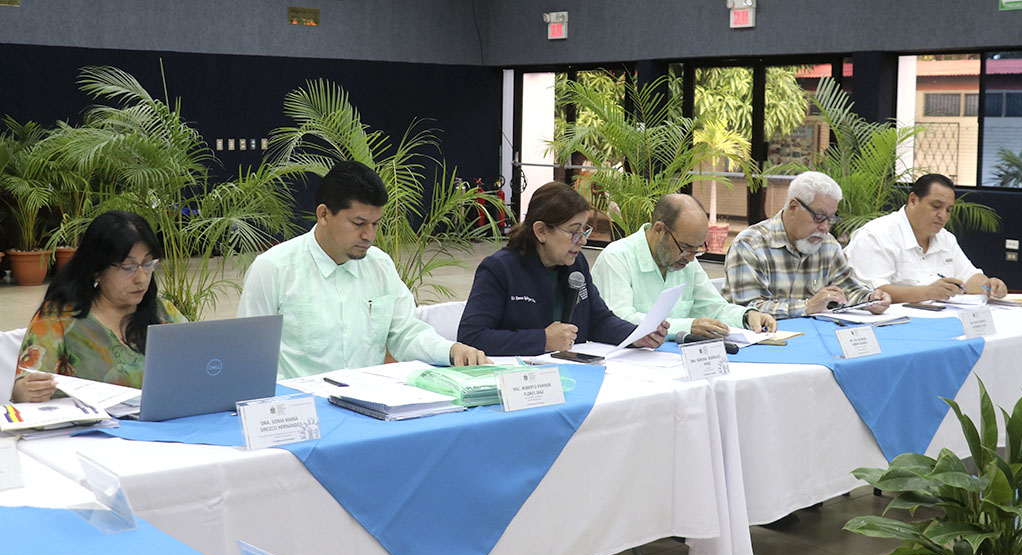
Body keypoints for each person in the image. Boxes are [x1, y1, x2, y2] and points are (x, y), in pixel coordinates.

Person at [237, 161, 487, 379]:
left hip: (368, 408)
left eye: (375, 224)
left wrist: (452, 351)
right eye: (358, 223)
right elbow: (250, 356)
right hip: (299, 412)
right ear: (324, 214)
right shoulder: (273, 269)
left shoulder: (380, 265)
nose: (369, 235)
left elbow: (406, 333)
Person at [457, 181, 668, 356]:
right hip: (520, 382)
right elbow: (471, 337)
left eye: (585, 230)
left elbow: (599, 320)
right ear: (541, 231)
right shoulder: (500, 269)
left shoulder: (576, 265)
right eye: (574, 232)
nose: (582, 241)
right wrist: (543, 340)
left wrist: (637, 335)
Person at [11, 211, 187, 402]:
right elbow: (26, 386)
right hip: (88, 429)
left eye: (147, 264)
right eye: (128, 267)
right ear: (96, 270)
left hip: (161, 426)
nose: (141, 278)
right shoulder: (59, 318)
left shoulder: (163, 313)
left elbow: (200, 361)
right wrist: (24, 391)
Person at [593, 193, 777, 339]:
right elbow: (619, 320)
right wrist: (688, 326)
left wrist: (748, 316)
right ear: (659, 230)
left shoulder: (686, 261)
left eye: (697, 249)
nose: (690, 258)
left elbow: (715, 308)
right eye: (686, 247)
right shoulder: (616, 258)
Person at [723, 171, 892, 319]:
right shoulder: (750, 245)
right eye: (819, 217)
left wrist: (870, 299)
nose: (825, 227)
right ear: (793, 207)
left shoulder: (828, 245)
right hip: (760, 343)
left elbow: (848, 290)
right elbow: (749, 310)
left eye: (831, 218)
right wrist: (807, 306)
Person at [844, 173, 1007, 303]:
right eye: (936, 206)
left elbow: (968, 276)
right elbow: (874, 293)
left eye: (948, 210)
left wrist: (989, 285)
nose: (942, 215)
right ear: (913, 200)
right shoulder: (876, 234)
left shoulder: (945, 239)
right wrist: (928, 292)